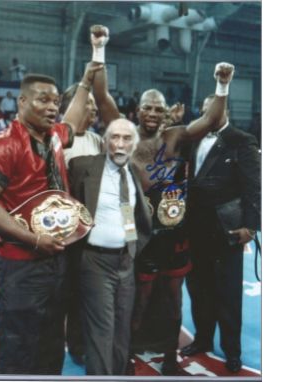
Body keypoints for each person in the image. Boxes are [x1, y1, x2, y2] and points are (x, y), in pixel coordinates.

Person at [88, 24, 235, 375]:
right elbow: (102, 96)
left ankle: (170, 357)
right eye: (147, 108)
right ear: (138, 110)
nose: (152, 114)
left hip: (176, 233)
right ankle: (125, 356)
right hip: (141, 233)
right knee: (136, 303)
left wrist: (222, 84)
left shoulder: (176, 137)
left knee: (172, 302)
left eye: (158, 109)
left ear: (165, 111)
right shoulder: (127, 137)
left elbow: (214, 117)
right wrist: (99, 49)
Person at [0, 61, 102, 375]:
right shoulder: (4, 147)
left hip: (56, 259)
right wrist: (34, 238)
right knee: (17, 346)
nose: (52, 107)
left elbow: (73, 117)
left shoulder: (55, 135)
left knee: (51, 341)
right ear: (22, 102)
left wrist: (84, 81)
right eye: (43, 99)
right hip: (19, 263)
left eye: (55, 101)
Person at [181, 95, 261, 373]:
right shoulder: (192, 138)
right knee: (198, 288)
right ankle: (202, 340)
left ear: (224, 111)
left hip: (227, 228)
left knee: (227, 295)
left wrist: (251, 226)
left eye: (212, 112)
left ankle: (232, 351)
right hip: (195, 227)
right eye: (203, 112)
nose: (207, 117)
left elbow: (254, 187)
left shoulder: (242, 139)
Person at [68, 118, 152, 375]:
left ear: (134, 145)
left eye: (127, 138)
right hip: (95, 262)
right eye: (114, 137)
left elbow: (131, 215)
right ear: (104, 141)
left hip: (126, 262)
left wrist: (132, 248)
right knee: (101, 331)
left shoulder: (134, 173)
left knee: (122, 328)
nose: (120, 143)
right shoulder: (82, 166)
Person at [58, 82, 103, 366]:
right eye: (88, 104)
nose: (94, 109)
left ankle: (87, 339)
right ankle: (74, 342)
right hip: (67, 230)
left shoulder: (99, 140)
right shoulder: (58, 141)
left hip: (97, 229)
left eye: (95, 105)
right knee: (71, 289)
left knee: (91, 289)